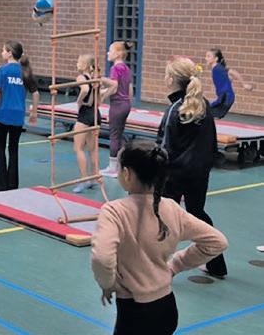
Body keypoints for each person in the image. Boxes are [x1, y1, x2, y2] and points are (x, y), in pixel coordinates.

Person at [91, 140, 228, 335]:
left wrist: (107, 283)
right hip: (167, 309)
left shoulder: (114, 212)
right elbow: (217, 242)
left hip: (134, 313)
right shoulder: (172, 208)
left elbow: (102, 257)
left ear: (127, 174)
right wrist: (175, 265)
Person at [157, 56, 228, 279]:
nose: (164, 78)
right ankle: (217, 265)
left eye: (166, 74)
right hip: (199, 172)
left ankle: (155, 266)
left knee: (162, 218)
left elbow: (164, 148)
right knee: (197, 213)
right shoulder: (202, 104)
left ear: (171, 79)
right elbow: (211, 142)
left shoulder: (175, 109)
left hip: (174, 174)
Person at [0, 41, 40, 191]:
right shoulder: (25, 71)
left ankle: (1, 184)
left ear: (9, 53)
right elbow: (36, 93)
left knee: (1, 148)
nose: (1, 53)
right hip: (18, 116)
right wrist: (34, 112)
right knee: (13, 149)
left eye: (3, 50)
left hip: (3, 114)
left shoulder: (2, 70)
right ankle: (13, 183)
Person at [99, 41, 134, 178]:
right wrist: (129, 104)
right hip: (125, 104)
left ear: (118, 54)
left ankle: (113, 168)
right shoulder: (126, 68)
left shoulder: (115, 68)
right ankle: (120, 165)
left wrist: (102, 94)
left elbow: (114, 87)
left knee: (114, 136)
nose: (108, 53)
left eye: (110, 51)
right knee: (119, 135)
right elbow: (129, 89)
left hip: (118, 104)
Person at [73, 54, 100, 193]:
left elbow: (85, 90)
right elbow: (96, 99)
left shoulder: (81, 77)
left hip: (85, 115)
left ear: (84, 65)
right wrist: (88, 102)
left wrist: (79, 101)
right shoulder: (95, 78)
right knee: (92, 149)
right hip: (95, 114)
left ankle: (84, 180)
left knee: (78, 148)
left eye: (78, 62)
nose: (76, 63)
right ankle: (94, 178)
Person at [205, 48, 252, 119]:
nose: (206, 58)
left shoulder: (218, 68)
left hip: (226, 98)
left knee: (206, 113)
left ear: (216, 59)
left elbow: (234, 72)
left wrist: (244, 84)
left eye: (208, 56)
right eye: (206, 56)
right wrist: (229, 80)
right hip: (224, 97)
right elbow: (229, 77)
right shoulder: (217, 68)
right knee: (207, 113)